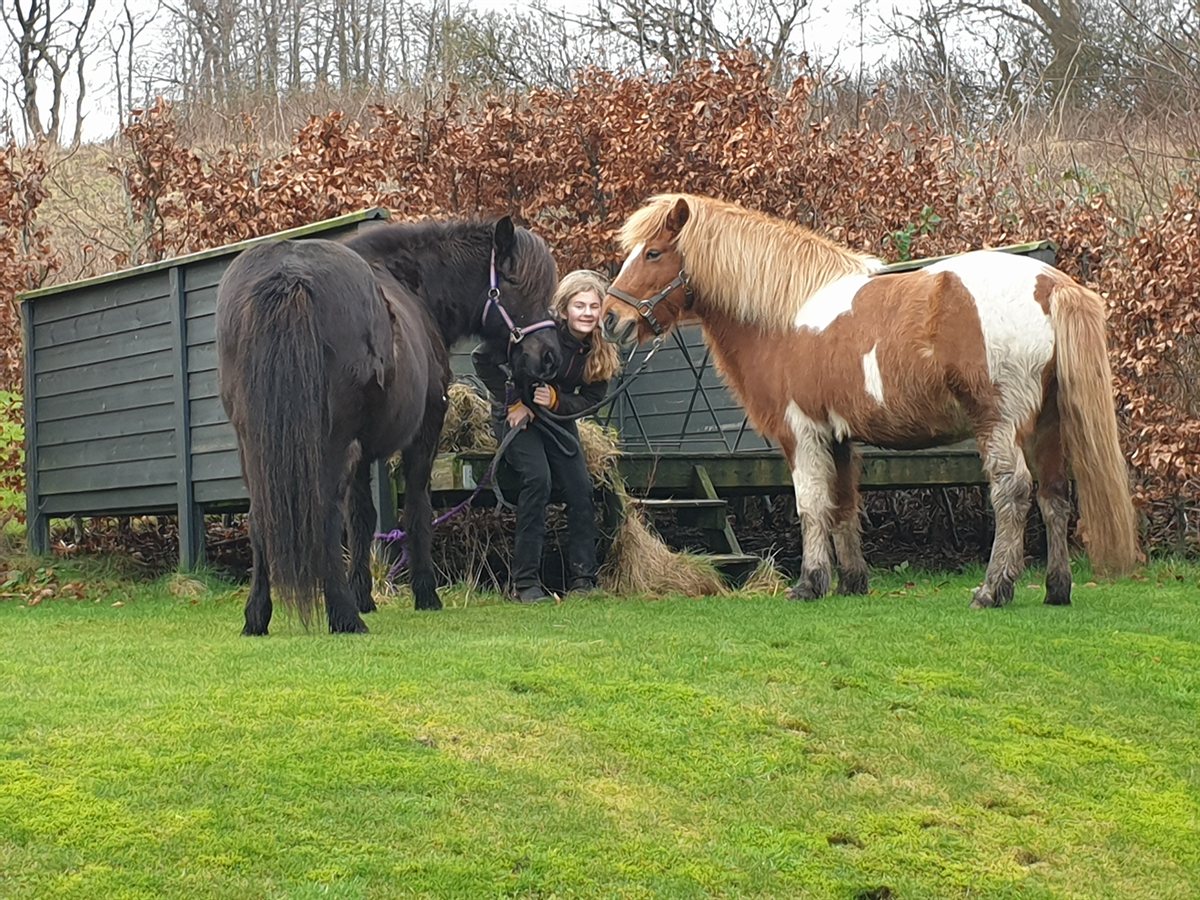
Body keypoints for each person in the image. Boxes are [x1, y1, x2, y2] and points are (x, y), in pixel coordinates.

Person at [472, 269, 623, 602]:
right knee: (537, 480)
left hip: (556, 419)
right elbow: (483, 359)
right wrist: (514, 403)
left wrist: (557, 400)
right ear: (564, 307)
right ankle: (526, 584)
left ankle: (584, 581)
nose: (586, 313)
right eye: (579, 305)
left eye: (593, 306)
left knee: (581, 488)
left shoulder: (601, 350)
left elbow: (592, 399)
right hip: (517, 416)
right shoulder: (539, 329)